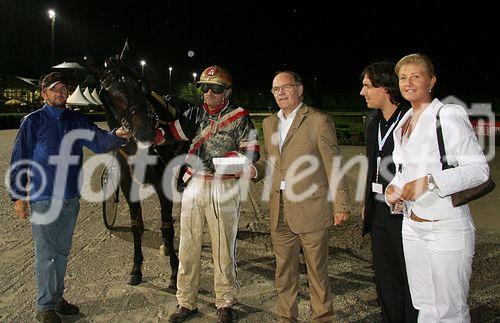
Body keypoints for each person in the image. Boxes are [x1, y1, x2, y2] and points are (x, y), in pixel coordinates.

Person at [9, 72, 129, 323]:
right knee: (46, 253)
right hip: (44, 198)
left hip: (70, 198)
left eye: (63, 89)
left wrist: (118, 133)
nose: (60, 93)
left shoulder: (76, 119)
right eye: (54, 89)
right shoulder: (33, 121)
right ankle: (45, 306)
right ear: (43, 93)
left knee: (61, 252)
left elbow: (99, 141)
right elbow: (20, 158)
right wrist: (18, 196)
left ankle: (56, 298)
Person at [385, 53, 490, 322]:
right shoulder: (404, 121)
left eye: (415, 76)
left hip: (446, 227)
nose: (407, 83)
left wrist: (429, 181)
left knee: (450, 310)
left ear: (431, 81)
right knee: (424, 303)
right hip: (412, 226)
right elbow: (404, 171)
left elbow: (478, 170)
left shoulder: (448, 114)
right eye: (403, 78)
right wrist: (394, 190)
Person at [241, 71, 350, 322]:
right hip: (279, 211)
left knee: (317, 273)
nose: (280, 92)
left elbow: (333, 164)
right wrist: (254, 170)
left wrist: (341, 204)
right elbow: (271, 161)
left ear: (299, 89)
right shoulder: (270, 123)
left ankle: (322, 317)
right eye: (275, 88)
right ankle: (286, 318)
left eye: (286, 87)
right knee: (283, 273)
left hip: (312, 209)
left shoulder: (318, 120)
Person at [168, 65, 259, 323]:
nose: (207, 92)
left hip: (224, 186)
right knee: (188, 246)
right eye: (204, 87)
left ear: (226, 92)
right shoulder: (193, 115)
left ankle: (225, 301)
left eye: (214, 88)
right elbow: (168, 134)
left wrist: (220, 162)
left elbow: (252, 153)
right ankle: (186, 301)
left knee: (223, 247)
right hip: (194, 184)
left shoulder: (240, 116)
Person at [360, 62, 418, 322]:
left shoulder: (410, 121)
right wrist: (367, 203)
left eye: (367, 86)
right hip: (379, 211)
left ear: (385, 88)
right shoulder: (372, 122)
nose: (363, 92)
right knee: (385, 278)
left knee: (409, 278)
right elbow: (372, 165)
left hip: (404, 212)